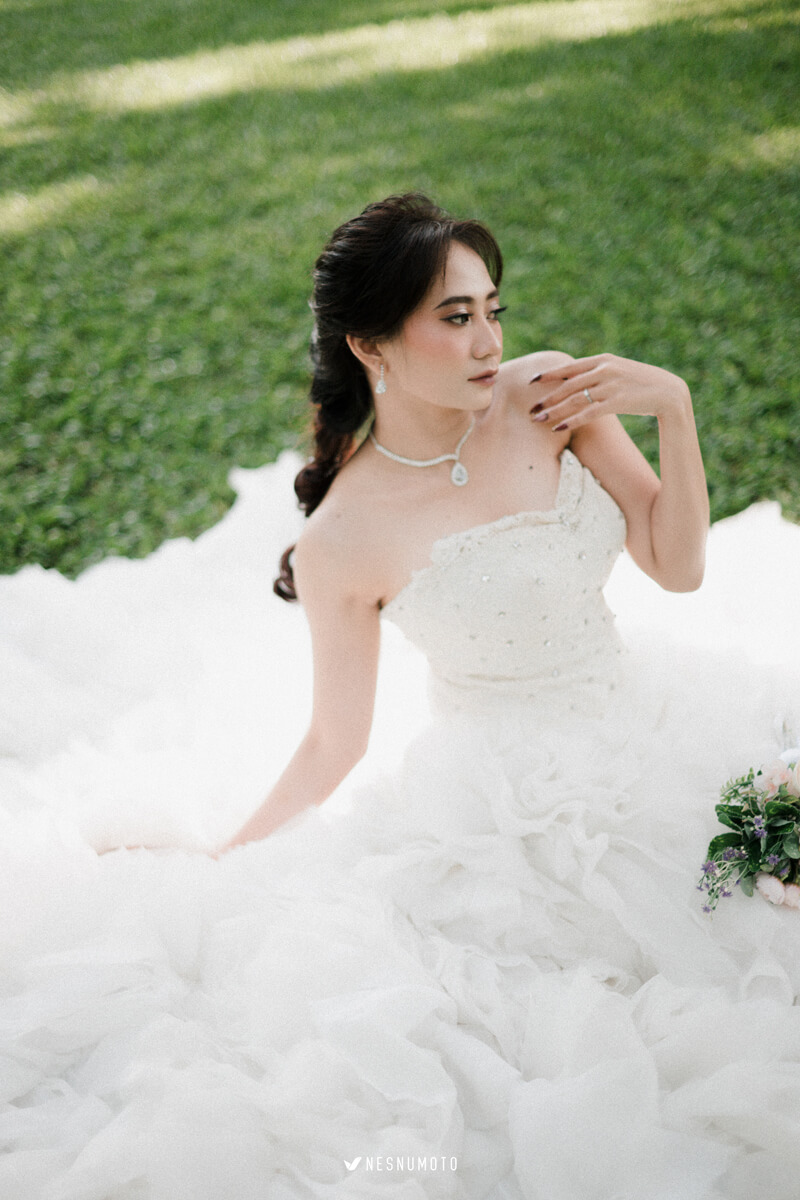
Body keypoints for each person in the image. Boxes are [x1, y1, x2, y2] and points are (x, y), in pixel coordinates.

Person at [2, 193, 800, 1200]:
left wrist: (672, 406)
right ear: (369, 343)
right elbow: (335, 741)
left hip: (651, 712)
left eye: (492, 310)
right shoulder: (341, 539)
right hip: (514, 809)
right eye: (453, 317)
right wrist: (223, 858)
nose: (487, 342)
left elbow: (675, 567)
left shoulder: (548, 395)